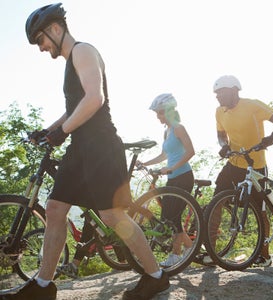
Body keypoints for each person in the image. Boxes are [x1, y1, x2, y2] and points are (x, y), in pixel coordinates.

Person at [2, 3, 170, 299]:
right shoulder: (71, 62)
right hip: (80, 147)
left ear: (55, 29)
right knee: (54, 209)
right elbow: (75, 109)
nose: (41, 48)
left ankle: (156, 276)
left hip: (101, 146)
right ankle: (43, 285)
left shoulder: (83, 51)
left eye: (40, 40)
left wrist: (60, 133)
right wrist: (49, 130)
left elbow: (95, 99)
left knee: (112, 216)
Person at [199, 75, 273, 267]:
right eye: (216, 94)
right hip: (233, 164)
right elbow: (221, 134)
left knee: (260, 210)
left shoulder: (253, 106)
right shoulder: (219, 111)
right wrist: (223, 145)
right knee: (217, 202)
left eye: (220, 93)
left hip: (256, 166)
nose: (217, 98)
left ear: (234, 90)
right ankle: (211, 253)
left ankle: (263, 256)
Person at [136, 93, 195, 267]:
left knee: (173, 217)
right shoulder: (167, 131)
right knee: (169, 217)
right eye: (157, 113)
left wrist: (172, 168)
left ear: (169, 111)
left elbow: (191, 151)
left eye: (160, 112)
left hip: (183, 177)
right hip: (172, 179)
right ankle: (190, 248)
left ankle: (176, 255)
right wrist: (145, 163)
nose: (158, 116)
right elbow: (164, 155)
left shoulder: (179, 128)